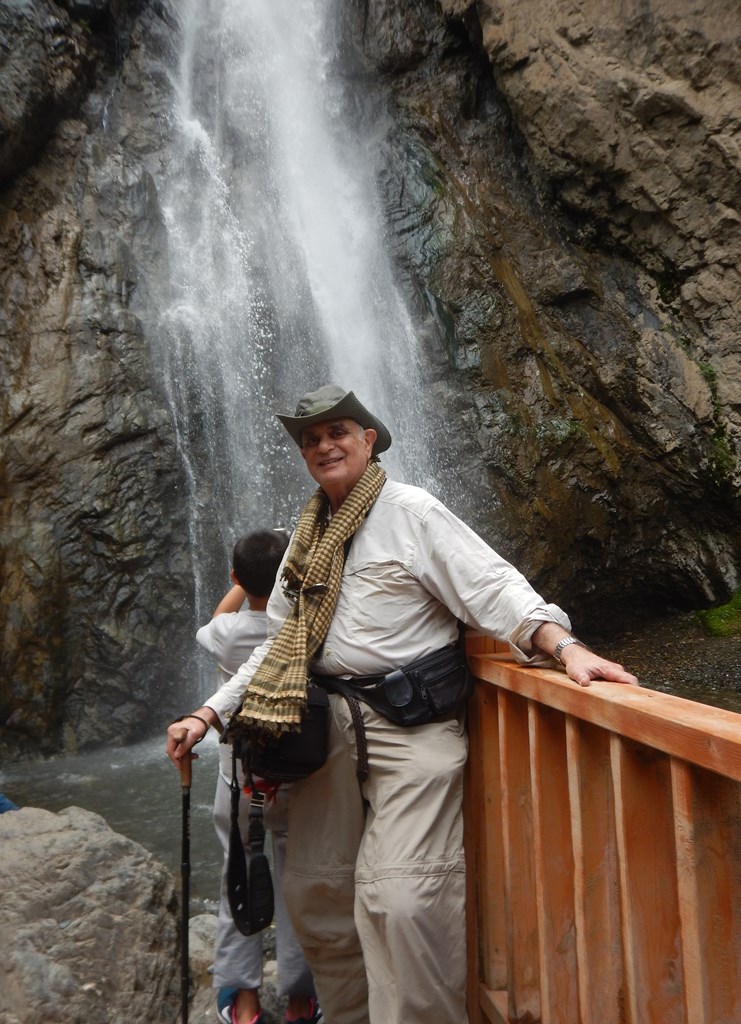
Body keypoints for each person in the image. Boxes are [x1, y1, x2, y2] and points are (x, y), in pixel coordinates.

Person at [167, 384, 639, 1024]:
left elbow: (493, 587)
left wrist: (565, 647)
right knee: (317, 896)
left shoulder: (412, 511)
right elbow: (274, 647)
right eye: (311, 439)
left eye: (338, 432)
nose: (324, 445)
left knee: (407, 901)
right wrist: (208, 714)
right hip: (327, 735)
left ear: (368, 440)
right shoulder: (304, 541)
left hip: (411, 728)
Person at [191, 530, 322, 1024]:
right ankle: (300, 1000)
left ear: (235, 578)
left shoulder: (227, 635)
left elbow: (220, 618)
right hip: (295, 772)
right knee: (299, 881)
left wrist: (239, 582)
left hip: (238, 775)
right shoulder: (303, 627)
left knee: (237, 875)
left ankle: (243, 1002)